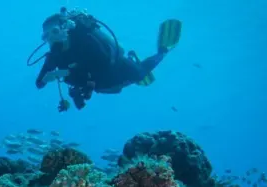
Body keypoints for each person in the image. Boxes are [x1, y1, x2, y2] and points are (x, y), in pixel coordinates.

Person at [31, 7, 182, 111]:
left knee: (140, 74)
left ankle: (162, 51)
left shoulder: (85, 39)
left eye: (55, 32)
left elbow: (101, 63)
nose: (51, 39)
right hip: (97, 86)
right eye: (46, 36)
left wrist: (60, 73)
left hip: (116, 70)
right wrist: (45, 78)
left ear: (65, 28)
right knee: (110, 88)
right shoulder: (53, 56)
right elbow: (39, 83)